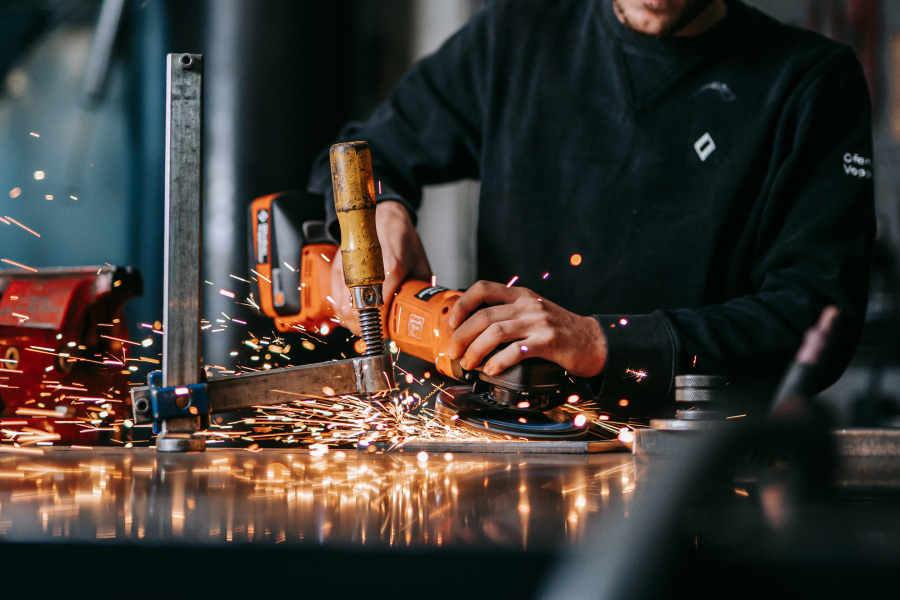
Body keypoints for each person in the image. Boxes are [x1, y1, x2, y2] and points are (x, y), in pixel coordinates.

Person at [307, 0, 875, 417]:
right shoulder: (515, 37)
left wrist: (602, 343)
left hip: (699, 474)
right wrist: (385, 212)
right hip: (510, 448)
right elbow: (369, 151)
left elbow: (814, 317)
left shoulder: (810, 82)